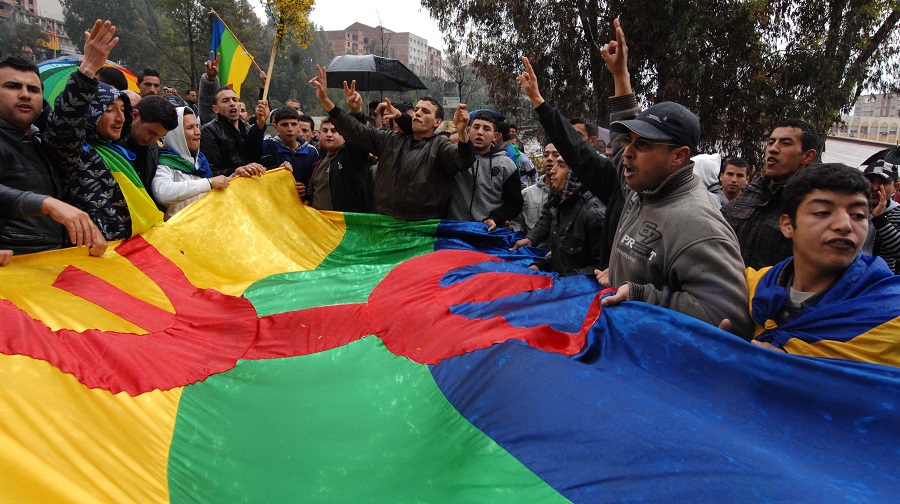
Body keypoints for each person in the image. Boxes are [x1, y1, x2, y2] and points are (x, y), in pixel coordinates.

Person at [518, 20, 751, 335]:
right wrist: (620, 75)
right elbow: (616, 132)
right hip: (621, 340)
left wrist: (644, 295)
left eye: (643, 145)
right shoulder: (641, 183)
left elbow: (727, 315)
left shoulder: (699, 224)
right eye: (630, 142)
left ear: (679, 156)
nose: (626, 152)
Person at [745, 163, 900, 366]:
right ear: (788, 225)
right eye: (823, 212)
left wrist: (795, 374)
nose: (845, 225)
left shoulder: (891, 317)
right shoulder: (754, 288)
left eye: (859, 215)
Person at [0, 24, 110, 257]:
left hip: (53, 264)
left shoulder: (41, 139)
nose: (25, 94)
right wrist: (46, 204)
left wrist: (87, 231)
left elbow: (67, 130)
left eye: (33, 89)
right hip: (13, 273)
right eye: (12, 86)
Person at [310, 65, 474, 221]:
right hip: (385, 220)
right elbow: (357, 132)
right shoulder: (391, 139)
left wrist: (461, 132)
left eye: (425, 111)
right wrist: (326, 101)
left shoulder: (440, 146)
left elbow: (463, 160)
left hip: (424, 225)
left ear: (437, 122)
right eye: (416, 110)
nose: (418, 114)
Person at [722, 120, 820, 269]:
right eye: (771, 142)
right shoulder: (749, 195)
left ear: (807, 156)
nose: (773, 149)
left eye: (785, 143)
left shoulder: (813, 207)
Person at [527, 150, 606, 275]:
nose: (553, 170)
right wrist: (542, 264)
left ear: (576, 174)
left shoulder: (594, 216)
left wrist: (564, 280)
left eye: (561, 166)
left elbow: (603, 271)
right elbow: (562, 253)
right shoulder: (559, 204)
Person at [447, 110, 523, 230]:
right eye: (476, 127)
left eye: (486, 129)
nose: (480, 133)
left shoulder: (507, 165)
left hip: (488, 231)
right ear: (468, 131)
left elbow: (514, 203)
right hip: (455, 230)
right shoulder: (454, 158)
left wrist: (496, 219)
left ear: (495, 136)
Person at [152, 107, 231, 217]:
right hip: (177, 231)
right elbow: (162, 193)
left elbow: (214, 186)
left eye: (197, 126)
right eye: (190, 128)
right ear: (176, 134)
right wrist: (208, 183)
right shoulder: (164, 162)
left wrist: (234, 177)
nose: (198, 132)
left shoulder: (201, 162)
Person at [308, 117, 374, 213]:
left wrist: (357, 113)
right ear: (319, 135)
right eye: (325, 130)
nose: (329, 134)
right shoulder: (319, 158)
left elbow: (358, 138)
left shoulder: (350, 157)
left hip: (343, 223)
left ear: (344, 135)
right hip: (319, 222)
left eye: (334, 131)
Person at [120, 95, 178, 202]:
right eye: (151, 132)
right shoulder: (111, 144)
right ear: (135, 115)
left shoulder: (153, 149)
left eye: (160, 136)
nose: (153, 140)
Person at [200, 85, 266, 177]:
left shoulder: (248, 130)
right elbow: (210, 172)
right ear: (216, 109)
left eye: (235, 100)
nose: (232, 103)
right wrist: (235, 172)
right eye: (225, 101)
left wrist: (260, 124)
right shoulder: (209, 131)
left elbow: (257, 158)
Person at [260, 106, 318, 196]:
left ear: (299, 127)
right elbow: (258, 178)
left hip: (301, 206)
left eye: (294, 124)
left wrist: (306, 190)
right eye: (284, 125)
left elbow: (317, 183)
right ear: (276, 127)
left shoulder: (312, 151)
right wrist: (277, 171)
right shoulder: (267, 146)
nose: (290, 129)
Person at [510, 144, 556, 246]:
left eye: (555, 155)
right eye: (546, 155)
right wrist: (511, 228)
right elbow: (519, 224)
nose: (549, 159)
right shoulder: (526, 194)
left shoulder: (570, 197)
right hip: (531, 253)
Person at [862, 158, 900, 273]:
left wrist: (879, 218)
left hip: (880, 278)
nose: (875, 187)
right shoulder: (853, 207)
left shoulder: (897, 212)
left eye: (884, 183)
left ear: (896, 187)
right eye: (871, 180)